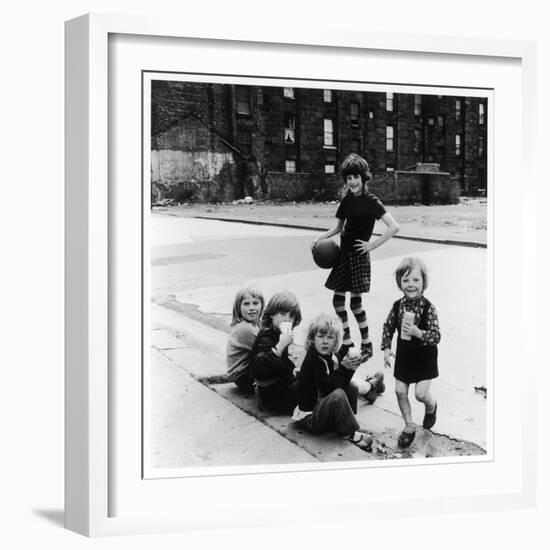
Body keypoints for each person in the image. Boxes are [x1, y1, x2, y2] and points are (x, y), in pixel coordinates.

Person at [312, 153, 400, 363]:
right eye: (348, 178)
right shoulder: (346, 201)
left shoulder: (372, 202)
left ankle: (367, 343)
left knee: (355, 304)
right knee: (338, 301)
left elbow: (394, 226)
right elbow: (338, 228)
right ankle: (347, 341)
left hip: (359, 257)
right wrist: (319, 238)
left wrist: (372, 245)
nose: (352, 181)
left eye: (356, 177)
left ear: (364, 177)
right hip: (343, 256)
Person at [292, 313, 384, 451]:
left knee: (351, 387)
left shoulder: (329, 355)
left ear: (336, 341)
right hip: (310, 419)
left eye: (330, 337)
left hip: (321, 408)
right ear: (312, 338)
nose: (325, 341)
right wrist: (344, 368)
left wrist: (352, 365)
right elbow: (329, 388)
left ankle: (346, 421)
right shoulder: (313, 360)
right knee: (338, 395)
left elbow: (340, 380)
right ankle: (349, 433)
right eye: (320, 336)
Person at [381, 257, 441, 448]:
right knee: (400, 390)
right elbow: (388, 326)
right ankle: (409, 426)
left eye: (416, 280)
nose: (411, 284)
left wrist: (418, 332)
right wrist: (387, 348)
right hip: (405, 356)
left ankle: (431, 407)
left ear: (424, 283)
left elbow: (436, 336)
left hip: (424, 357)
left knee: (421, 394)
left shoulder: (429, 308)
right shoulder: (398, 306)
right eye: (405, 280)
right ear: (400, 283)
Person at [250, 291, 302, 414]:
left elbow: (280, 363)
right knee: (311, 386)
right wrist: (281, 345)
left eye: (291, 316)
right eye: (282, 314)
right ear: (272, 314)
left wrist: (291, 369)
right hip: (272, 396)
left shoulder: (277, 334)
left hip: (278, 390)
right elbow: (260, 365)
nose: (287, 319)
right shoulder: (266, 337)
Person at [226, 286, 265, 393]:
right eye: (246, 304)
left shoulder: (255, 323)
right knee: (269, 361)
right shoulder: (245, 328)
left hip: (244, 372)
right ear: (238, 307)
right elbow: (266, 349)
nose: (251, 308)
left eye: (256, 303)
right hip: (243, 376)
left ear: (262, 305)